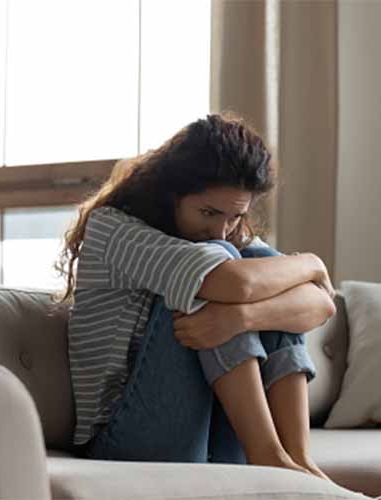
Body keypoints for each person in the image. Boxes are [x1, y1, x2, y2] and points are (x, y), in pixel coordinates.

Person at [52, 110, 337, 483]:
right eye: (208, 212)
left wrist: (242, 319)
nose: (220, 228)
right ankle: (269, 457)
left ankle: (297, 460)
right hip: (127, 441)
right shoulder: (112, 228)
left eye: (235, 217)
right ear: (170, 193)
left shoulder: (220, 237)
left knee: (259, 261)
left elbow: (321, 303)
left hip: (208, 430)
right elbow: (235, 284)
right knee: (212, 273)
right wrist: (311, 262)